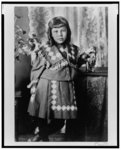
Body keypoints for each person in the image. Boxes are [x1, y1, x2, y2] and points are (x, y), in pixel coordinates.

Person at [27, 16, 95, 141]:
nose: (60, 34)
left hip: (65, 88)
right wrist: (34, 85)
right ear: (50, 33)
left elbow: (73, 64)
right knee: (43, 117)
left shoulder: (74, 49)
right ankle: (41, 138)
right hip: (47, 87)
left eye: (63, 30)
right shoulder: (45, 50)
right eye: (56, 31)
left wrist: (83, 58)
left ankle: (40, 136)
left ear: (68, 31)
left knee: (60, 122)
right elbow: (36, 69)